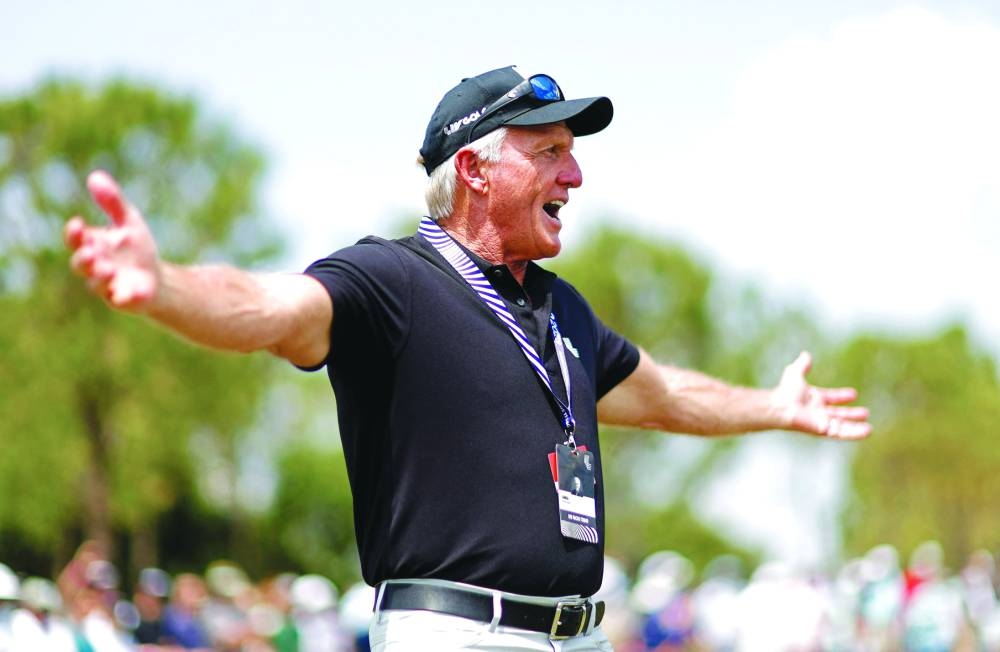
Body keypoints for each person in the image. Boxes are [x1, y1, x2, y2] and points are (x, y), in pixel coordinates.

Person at [65, 65, 871, 651]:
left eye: (572, 152)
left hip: (576, 634)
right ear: (477, 169)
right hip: (457, 634)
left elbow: (663, 395)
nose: (576, 173)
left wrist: (774, 405)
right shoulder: (392, 283)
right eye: (550, 150)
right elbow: (274, 310)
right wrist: (163, 286)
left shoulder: (565, 310)